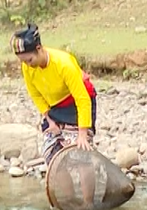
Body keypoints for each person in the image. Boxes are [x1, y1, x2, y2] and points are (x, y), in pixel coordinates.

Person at [12, 24, 96, 165]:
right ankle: (63, 188)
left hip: (76, 104)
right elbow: (36, 95)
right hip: (54, 108)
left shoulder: (64, 64)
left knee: (81, 154)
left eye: (29, 60)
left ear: (39, 49)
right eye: (23, 61)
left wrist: (82, 134)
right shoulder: (27, 67)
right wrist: (50, 121)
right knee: (52, 155)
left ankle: (88, 187)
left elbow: (82, 99)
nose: (27, 65)